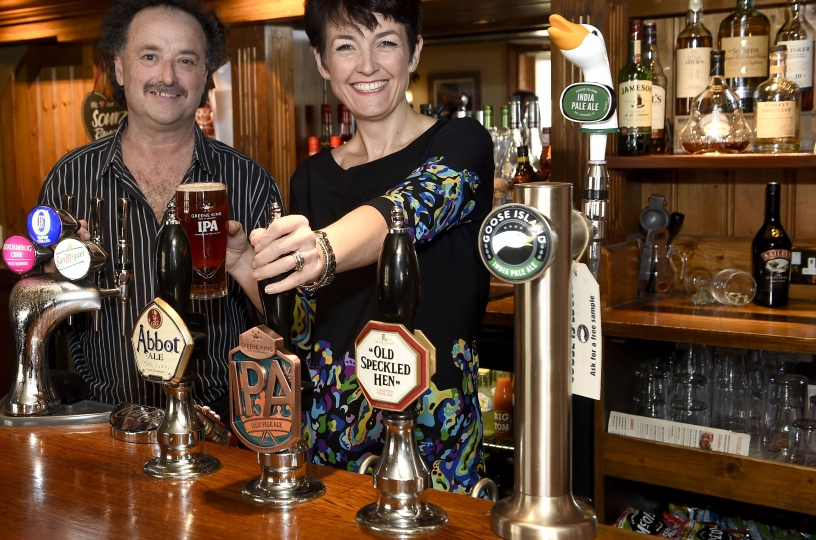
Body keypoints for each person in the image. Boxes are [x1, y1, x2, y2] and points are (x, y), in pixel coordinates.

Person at [227, 0, 494, 494]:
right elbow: (305, 332)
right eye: (346, 46)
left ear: (414, 52)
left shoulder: (462, 144)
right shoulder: (311, 177)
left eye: (385, 43)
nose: (367, 65)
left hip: (431, 439)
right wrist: (247, 266)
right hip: (329, 441)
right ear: (323, 62)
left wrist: (322, 250)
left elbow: (409, 208)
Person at [38, 0, 282, 420]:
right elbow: (44, 316)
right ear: (119, 67)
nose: (167, 76)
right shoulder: (69, 179)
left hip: (220, 422)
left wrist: (250, 271)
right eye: (150, 56)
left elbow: (288, 321)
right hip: (102, 421)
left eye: (185, 60)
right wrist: (54, 281)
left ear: (205, 75)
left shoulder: (249, 180)